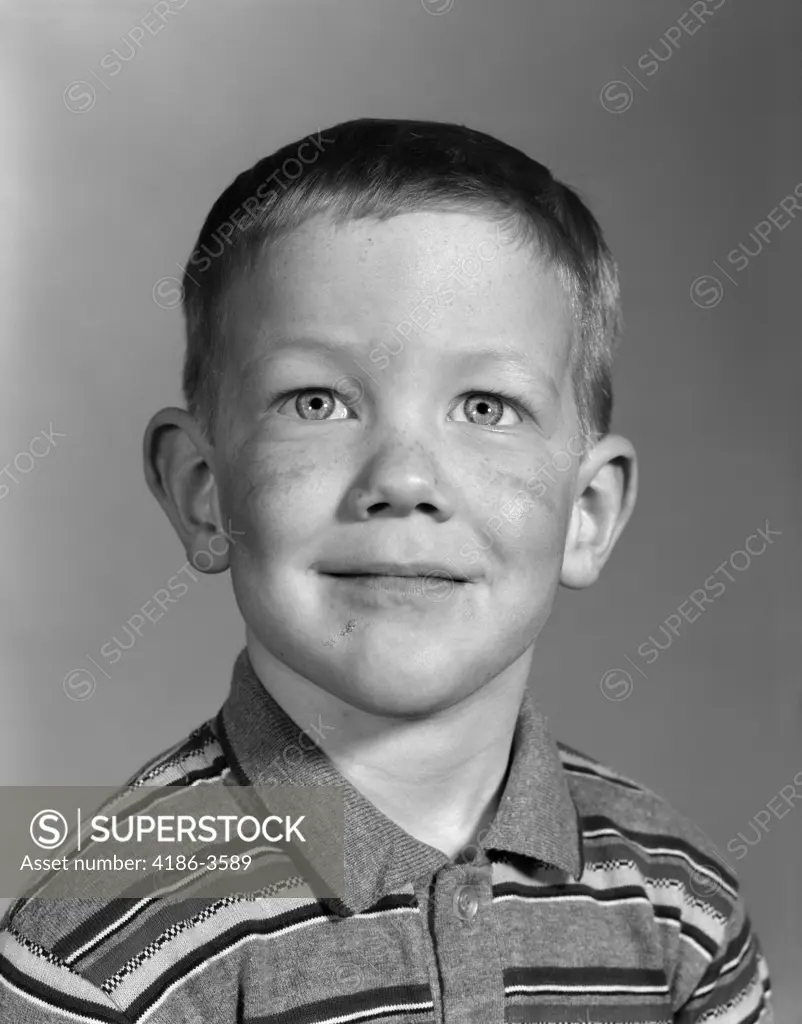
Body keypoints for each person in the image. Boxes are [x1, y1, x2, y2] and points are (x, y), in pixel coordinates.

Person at [0, 118, 773, 1023]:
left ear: (587, 513)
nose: (403, 480)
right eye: (318, 402)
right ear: (203, 490)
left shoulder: (684, 907)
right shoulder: (98, 946)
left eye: (487, 406)